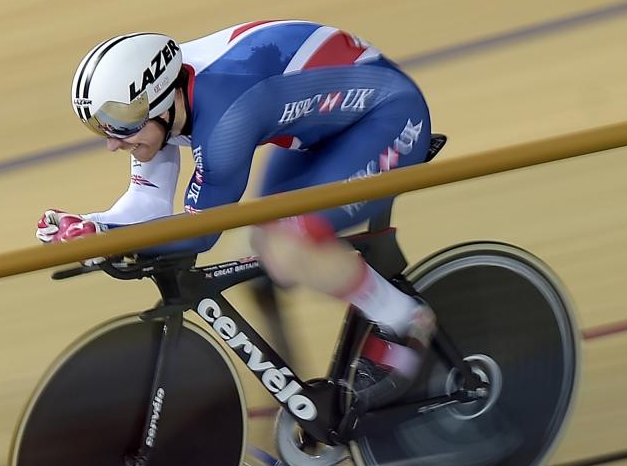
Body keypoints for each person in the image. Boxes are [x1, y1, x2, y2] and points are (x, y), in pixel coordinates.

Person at [37, 21, 436, 406]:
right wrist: (94, 225)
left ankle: (404, 318)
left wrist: (106, 239)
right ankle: (305, 405)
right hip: (327, 131)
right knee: (266, 253)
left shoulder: (222, 122)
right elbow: (148, 205)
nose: (112, 142)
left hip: (389, 117)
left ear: (157, 98)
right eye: (101, 126)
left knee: (286, 245)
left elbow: (201, 232)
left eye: (118, 124)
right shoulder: (162, 105)